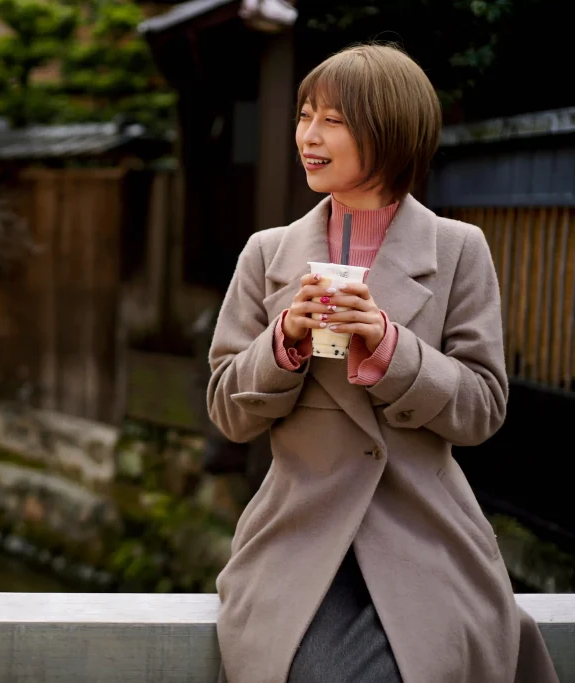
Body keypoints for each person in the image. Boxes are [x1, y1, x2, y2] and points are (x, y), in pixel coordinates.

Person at [206, 44, 558, 683]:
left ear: (390, 131)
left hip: (428, 534)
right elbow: (228, 413)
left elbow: (482, 409)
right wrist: (285, 338)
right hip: (297, 533)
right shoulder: (267, 254)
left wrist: (393, 350)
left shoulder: (457, 250)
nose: (308, 137)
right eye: (304, 116)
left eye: (332, 121)